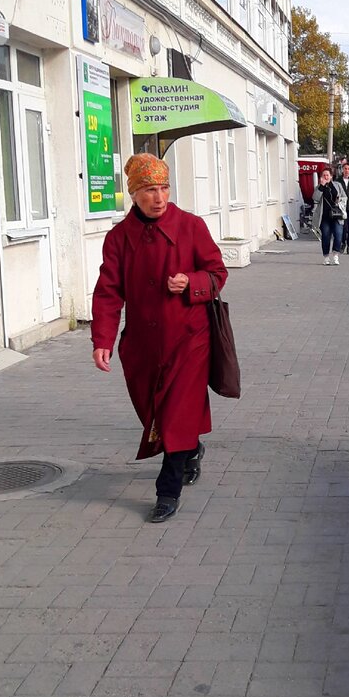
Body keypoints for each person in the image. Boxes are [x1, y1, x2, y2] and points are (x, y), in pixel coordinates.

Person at [91, 153, 228, 522]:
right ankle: (192, 448)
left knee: (177, 412)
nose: (159, 197)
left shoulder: (191, 226)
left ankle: (168, 491)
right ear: (134, 194)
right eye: (150, 190)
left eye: (164, 187)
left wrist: (192, 283)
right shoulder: (118, 238)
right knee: (158, 413)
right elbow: (107, 291)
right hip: (142, 347)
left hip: (189, 338)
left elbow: (217, 272)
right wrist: (102, 338)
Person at [312, 167, 347, 265]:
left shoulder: (337, 185)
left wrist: (339, 200)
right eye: (324, 175)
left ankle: (335, 254)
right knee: (326, 236)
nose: (326, 177)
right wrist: (322, 187)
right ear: (321, 177)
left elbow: (345, 197)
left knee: (338, 235)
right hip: (325, 217)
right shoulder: (319, 187)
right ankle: (326, 257)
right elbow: (315, 198)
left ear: (331, 176)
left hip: (337, 215)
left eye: (327, 175)